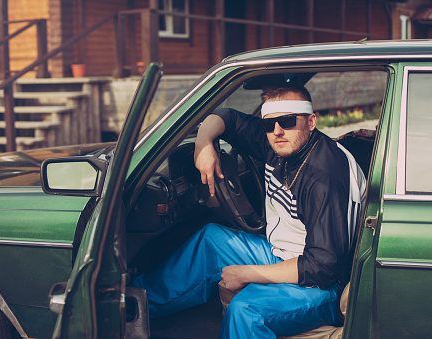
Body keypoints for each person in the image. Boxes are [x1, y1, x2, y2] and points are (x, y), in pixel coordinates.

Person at [131, 83, 367, 338]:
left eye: (288, 121)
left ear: (311, 122)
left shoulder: (325, 176)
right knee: (211, 239)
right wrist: (203, 144)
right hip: (282, 253)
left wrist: (249, 273)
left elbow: (323, 266)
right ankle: (133, 305)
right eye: (269, 123)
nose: (277, 131)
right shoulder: (278, 143)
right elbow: (226, 117)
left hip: (323, 286)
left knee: (245, 311)